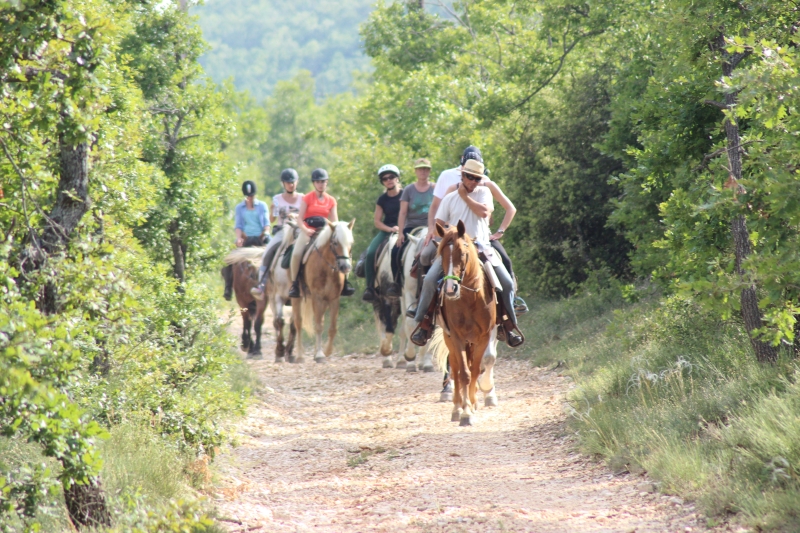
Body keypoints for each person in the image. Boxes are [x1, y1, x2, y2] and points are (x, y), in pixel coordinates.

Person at [409, 158, 524, 347]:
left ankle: (508, 326)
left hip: (481, 248)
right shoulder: (449, 198)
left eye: (476, 179)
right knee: (430, 280)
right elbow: (439, 222)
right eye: (469, 177)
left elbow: (484, 213)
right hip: (455, 249)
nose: (472, 182)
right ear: (462, 175)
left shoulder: (484, 192)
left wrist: (464, 196)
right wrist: (448, 236)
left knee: (507, 283)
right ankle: (423, 324)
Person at [287, 168, 355, 298]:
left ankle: (345, 282)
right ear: (314, 183)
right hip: (308, 230)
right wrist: (306, 230)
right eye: (318, 182)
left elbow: (335, 222)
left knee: (343, 251)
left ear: (327, 183)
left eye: (323, 182)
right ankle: (295, 284)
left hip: (325, 232)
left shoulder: (331, 200)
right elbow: (300, 219)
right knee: (296, 253)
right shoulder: (307, 198)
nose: (320, 184)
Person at [250, 169, 303, 301]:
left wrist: (297, 216)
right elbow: (273, 220)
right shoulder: (277, 199)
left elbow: (306, 215)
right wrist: (273, 209)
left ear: (297, 182)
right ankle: (261, 284)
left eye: (293, 182)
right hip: (283, 231)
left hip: (299, 230)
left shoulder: (303, 198)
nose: (291, 185)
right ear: (283, 183)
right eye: (288, 182)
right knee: (268, 251)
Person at [390, 157, 435, 293]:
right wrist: (401, 233)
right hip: (412, 227)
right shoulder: (409, 190)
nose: (423, 172)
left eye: (425, 169)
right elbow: (403, 213)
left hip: (431, 227)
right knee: (396, 250)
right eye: (420, 169)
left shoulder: (435, 188)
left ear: (429, 171)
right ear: (416, 171)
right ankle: (397, 282)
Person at [222, 180, 270, 300]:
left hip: (260, 238)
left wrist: (266, 233)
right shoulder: (239, 208)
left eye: (252, 195)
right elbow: (238, 225)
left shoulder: (262, 206)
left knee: (274, 256)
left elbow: (266, 223)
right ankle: (228, 287)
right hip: (246, 238)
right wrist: (239, 238)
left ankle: (274, 285)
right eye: (248, 196)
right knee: (228, 260)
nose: (250, 198)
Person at [362, 164, 403, 302]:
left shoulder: (406, 194)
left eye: (391, 177)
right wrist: (390, 229)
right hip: (388, 230)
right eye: (385, 179)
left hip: (406, 229)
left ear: (397, 178)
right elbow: (377, 221)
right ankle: (369, 287)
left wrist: (402, 227)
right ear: (382, 182)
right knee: (371, 252)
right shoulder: (382, 199)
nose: (389, 180)